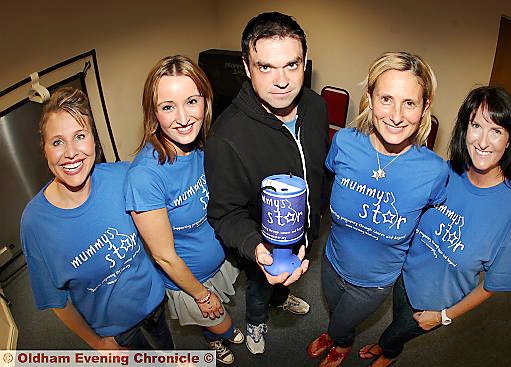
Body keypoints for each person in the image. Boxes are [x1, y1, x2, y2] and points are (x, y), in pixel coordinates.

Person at [359, 86, 511, 367]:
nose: (483, 142)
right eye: (476, 126)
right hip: (403, 278)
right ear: (465, 129)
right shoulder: (443, 172)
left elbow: (493, 285)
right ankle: (386, 345)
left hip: (434, 304)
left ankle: (387, 352)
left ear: (509, 141)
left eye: (496, 130)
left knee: (396, 335)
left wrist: (443, 316)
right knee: (395, 323)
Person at [307, 52, 448, 367]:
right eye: (386, 98)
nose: (396, 115)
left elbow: (431, 225)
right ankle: (336, 335)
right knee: (333, 312)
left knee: (342, 324)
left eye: (409, 103)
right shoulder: (344, 142)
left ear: (425, 107)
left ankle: (340, 343)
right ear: (369, 98)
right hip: (330, 262)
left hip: (374, 282)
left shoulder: (434, 171)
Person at [204, 12, 329, 355]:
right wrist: (257, 250)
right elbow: (225, 214)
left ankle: (281, 298)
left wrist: (313, 221)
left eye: (292, 65)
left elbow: (316, 170)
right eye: (266, 67)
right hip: (263, 246)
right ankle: (256, 321)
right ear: (246, 67)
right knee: (260, 289)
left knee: (288, 279)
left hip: (305, 232)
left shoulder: (317, 107)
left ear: (305, 62)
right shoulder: (226, 136)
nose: (283, 81)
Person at [20, 87, 174, 350]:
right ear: (44, 149)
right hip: (116, 330)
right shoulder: (35, 224)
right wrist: (98, 344)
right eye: (57, 142)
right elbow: (57, 300)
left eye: (80, 136)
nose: (70, 152)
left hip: (154, 300)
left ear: (94, 140)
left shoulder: (123, 176)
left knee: (167, 351)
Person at [124, 55, 243, 365]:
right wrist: (201, 296)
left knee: (222, 315)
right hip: (189, 281)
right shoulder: (145, 176)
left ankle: (216, 334)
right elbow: (164, 255)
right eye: (167, 107)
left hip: (219, 260)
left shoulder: (205, 145)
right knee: (220, 320)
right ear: (153, 114)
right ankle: (215, 338)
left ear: (205, 101)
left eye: (192, 101)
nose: (183, 117)